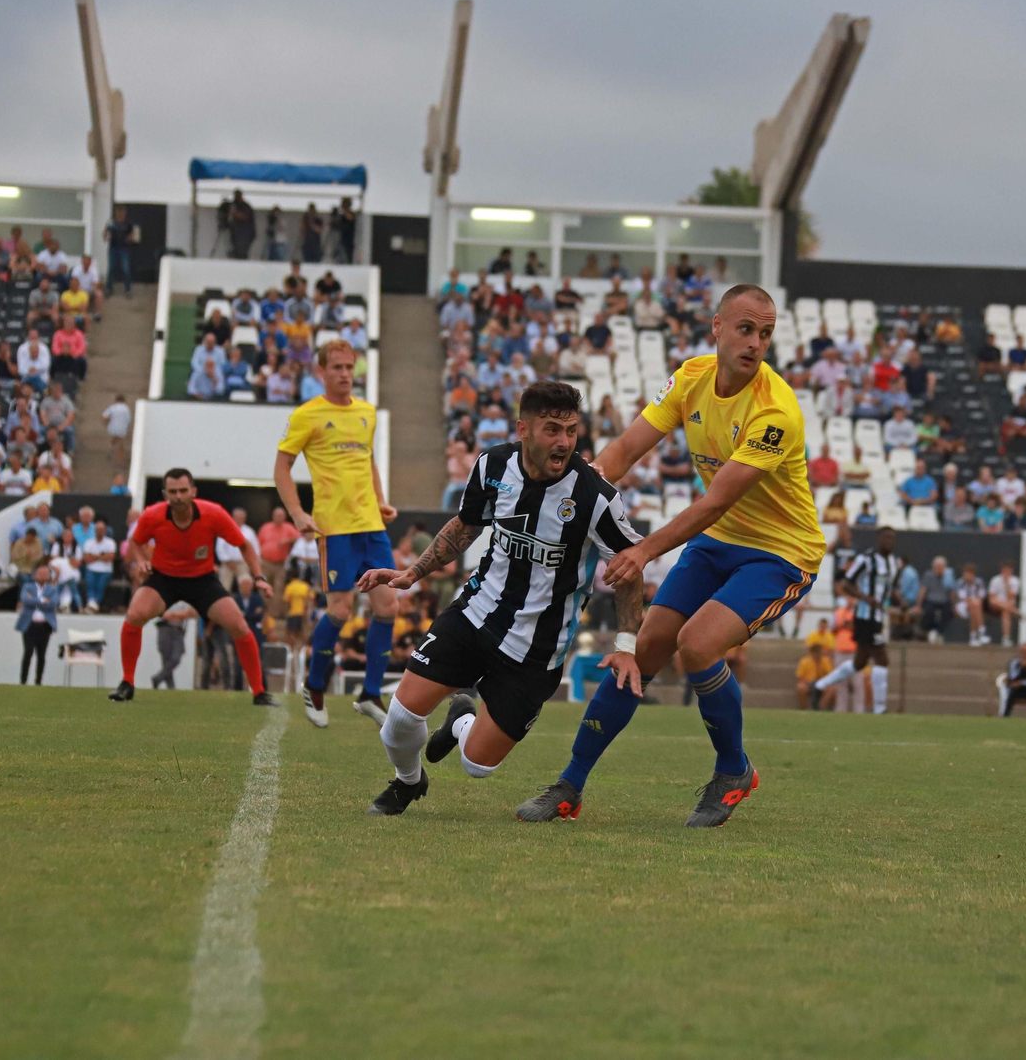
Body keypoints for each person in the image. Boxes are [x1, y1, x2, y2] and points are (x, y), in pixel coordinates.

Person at [521, 285, 824, 828]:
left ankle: (733, 769)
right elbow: (623, 451)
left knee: (699, 645)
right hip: (720, 542)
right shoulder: (690, 378)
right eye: (745, 329)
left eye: (766, 333)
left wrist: (641, 551)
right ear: (717, 326)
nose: (756, 343)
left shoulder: (776, 413)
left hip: (780, 552)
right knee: (640, 647)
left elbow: (715, 501)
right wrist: (565, 500)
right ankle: (570, 785)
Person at [352, 381, 643, 816]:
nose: (564, 441)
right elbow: (466, 526)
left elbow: (629, 568)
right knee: (399, 719)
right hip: (476, 613)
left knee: (477, 765)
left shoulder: (596, 498)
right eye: (551, 429)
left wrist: (626, 646)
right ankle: (407, 782)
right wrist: (413, 572)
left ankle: (461, 720)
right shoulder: (492, 465)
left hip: (538, 647)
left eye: (571, 430)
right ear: (523, 429)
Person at [274, 340, 400, 729]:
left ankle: (369, 694)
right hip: (333, 527)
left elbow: (368, 461)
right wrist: (297, 513)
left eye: (350, 368)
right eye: (338, 368)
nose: (345, 374)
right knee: (341, 610)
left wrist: (380, 500)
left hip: (371, 525)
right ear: (321, 372)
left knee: (388, 607)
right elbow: (281, 468)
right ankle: (314, 686)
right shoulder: (307, 415)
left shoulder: (367, 413)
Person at [110, 468, 275, 705]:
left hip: (202, 580)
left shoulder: (213, 513)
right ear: (165, 493)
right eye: (173, 491)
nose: (178, 496)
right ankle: (127, 683)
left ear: (193, 492)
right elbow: (135, 542)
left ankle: (259, 692)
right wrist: (141, 560)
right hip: (163, 579)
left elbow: (245, 545)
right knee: (135, 614)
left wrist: (259, 577)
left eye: (183, 491)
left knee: (239, 625)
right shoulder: (152, 515)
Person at [812, 527, 901, 714]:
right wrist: (866, 598)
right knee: (882, 659)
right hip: (864, 615)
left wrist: (901, 601)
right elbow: (847, 584)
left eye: (892, 538)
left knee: (859, 663)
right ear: (878, 539)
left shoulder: (894, 562)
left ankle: (820, 685)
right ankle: (879, 709)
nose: (889, 541)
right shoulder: (866, 559)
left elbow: (889, 588)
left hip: (878, 616)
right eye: (885, 537)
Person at [16, 564, 61, 685]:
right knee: (28, 652)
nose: (42, 576)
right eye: (40, 573)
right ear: (35, 575)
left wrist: (35, 601)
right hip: (30, 625)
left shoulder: (52, 589)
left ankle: (38, 681)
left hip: (44, 626)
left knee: (41, 654)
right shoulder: (28, 586)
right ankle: (23, 681)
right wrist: (42, 600)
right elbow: (25, 600)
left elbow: (52, 604)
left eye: (45, 574)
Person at [152, 604, 194, 689]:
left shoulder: (184, 600)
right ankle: (171, 687)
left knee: (176, 657)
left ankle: (158, 677)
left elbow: (189, 613)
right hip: (165, 628)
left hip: (178, 630)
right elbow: (163, 614)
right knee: (166, 658)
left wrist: (173, 615)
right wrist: (178, 615)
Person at [795, 639, 835, 710]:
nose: (818, 654)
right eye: (816, 652)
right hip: (808, 683)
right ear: (812, 653)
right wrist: (807, 683)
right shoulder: (804, 661)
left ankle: (821, 707)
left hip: (822, 683)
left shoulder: (825, 661)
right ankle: (804, 708)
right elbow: (800, 677)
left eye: (819, 652)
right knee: (800, 687)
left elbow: (831, 675)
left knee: (832, 689)